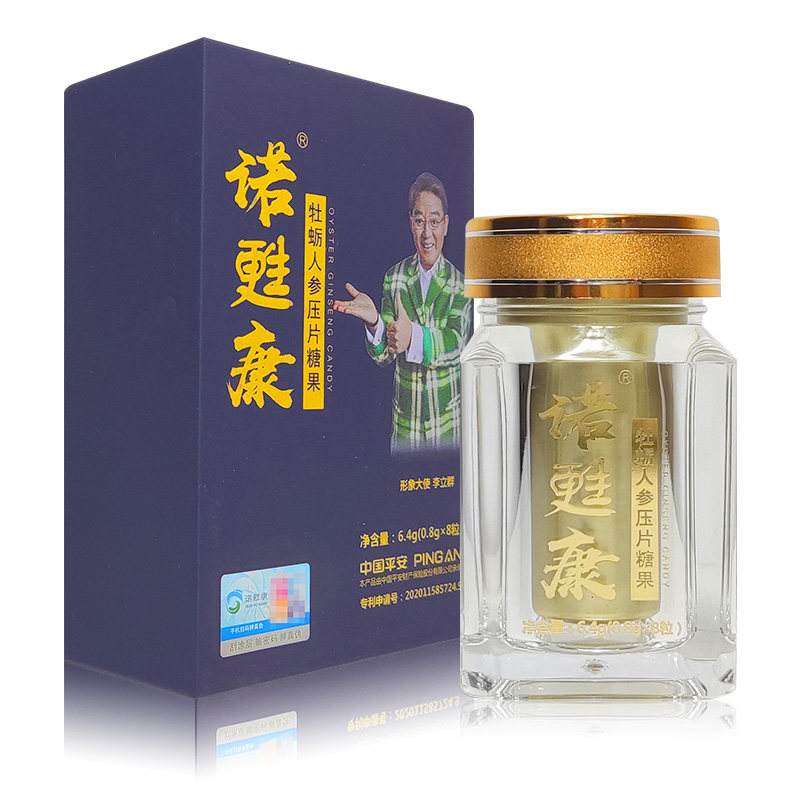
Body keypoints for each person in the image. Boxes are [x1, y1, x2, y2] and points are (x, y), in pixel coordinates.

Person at [333, 172, 471, 452]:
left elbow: (458, 344)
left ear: (445, 225)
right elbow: (384, 356)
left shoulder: (461, 283)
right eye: (419, 221)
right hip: (405, 427)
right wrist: (374, 323)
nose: (427, 234)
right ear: (411, 223)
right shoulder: (394, 277)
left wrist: (414, 337)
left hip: (447, 427)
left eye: (434, 221)